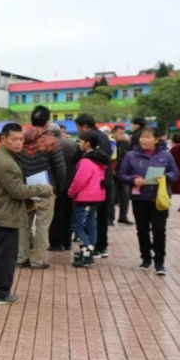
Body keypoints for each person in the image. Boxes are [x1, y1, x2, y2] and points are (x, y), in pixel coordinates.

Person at [0, 123, 53, 305]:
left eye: (21, 139)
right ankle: (1, 293)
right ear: (4, 139)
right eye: (14, 139)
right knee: (6, 257)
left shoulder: (1, 155)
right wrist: (43, 190)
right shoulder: (5, 161)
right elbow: (18, 191)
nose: (19, 143)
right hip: (5, 215)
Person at [119, 126, 179, 275]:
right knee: (142, 230)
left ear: (156, 139)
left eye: (148, 137)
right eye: (142, 137)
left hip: (159, 198)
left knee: (159, 229)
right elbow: (122, 175)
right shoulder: (131, 155)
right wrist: (133, 180)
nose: (144, 140)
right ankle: (146, 258)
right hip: (140, 198)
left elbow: (175, 173)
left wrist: (166, 177)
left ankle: (159, 262)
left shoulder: (166, 155)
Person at [17, 106, 66, 269]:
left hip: (25, 189)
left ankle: (21, 257)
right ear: (47, 122)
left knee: (24, 225)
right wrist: (57, 188)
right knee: (42, 226)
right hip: (46, 189)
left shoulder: (20, 140)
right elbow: (60, 169)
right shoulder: (51, 141)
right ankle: (37, 260)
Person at [75, 114, 112, 258]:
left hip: (94, 185)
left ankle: (92, 249)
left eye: (78, 127)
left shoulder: (91, 140)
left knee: (90, 220)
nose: (78, 131)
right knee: (99, 217)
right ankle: (100, 247)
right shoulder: (105, 137)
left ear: (85, 127)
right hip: (105, 182)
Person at [68, 131, 107, 267]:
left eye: (81, 141)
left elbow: (79, 181)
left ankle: (86, 252)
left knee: (77, 226)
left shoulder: (85, 160)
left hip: (84, 198)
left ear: (88, 143)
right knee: (91, 225)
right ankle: (88, 253)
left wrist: (71, 193)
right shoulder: (100, 159)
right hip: (97, 197)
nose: (79, 144)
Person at [47, 123, 78, 251]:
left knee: (55, 216)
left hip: (57, 185)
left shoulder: (51, 145)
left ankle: (55, 243)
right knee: (69, 214)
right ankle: (67, 242)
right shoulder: (72, 143)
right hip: (71, 185)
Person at [112, 125, 132, 224]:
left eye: (123, 133)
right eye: (120, 133)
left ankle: (123, 217)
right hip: (113, 174)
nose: (123, 135)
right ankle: (110, 218)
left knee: (125, 195)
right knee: (112, 196)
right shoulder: (111, 143)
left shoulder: (126, 144)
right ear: (114, 133)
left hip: (124, 174)